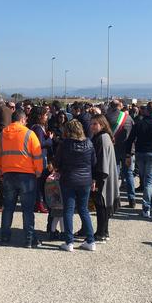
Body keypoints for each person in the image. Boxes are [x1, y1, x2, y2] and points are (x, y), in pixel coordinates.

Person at [0, 110, 43, 248]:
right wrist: (38, 171)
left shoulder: (2, 134)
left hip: (8, 175)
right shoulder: (29, 134)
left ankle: (4, 237)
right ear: (23, 120)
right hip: (27, 176)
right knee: (27, 209)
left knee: (8, 208)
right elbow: (37, 155)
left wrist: (0, 171)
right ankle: (29, 240)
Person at [56, 119, 97, 252]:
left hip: (68, 179)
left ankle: (69, 242)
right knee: (84, 209)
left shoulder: (65, 144)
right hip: (85, 180)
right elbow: (93, 162)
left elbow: (58, 162)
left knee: (68, 210)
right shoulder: (89, 143)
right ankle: (90, 240)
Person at [90, 115, 120, 243]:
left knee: (101, 205)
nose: (92, 127)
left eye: (95, 124)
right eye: (91, 124)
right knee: (102, 205)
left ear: (102, 125)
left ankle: (101, 232)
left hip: (102, 176)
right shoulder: (103, 137)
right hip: (103, 175)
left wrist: (96, 179)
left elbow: (101, 161)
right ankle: (103, 231)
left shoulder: (102, 138)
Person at [106, 99, 137, 208]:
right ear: (120, 106)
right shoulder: (128, 117)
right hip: (128, 151)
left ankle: (116, 200)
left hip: (114, 150)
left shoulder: (107, 117)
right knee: (129, 175)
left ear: (111, 106)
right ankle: (132, 199)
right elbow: (134, 133)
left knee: (115, 175)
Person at [28, 107, 53, 213]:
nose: (47, 117)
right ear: (40, 116)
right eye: (46, 115)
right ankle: (39, 204)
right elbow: (39, 144)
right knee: (40, 182)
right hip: (40, 157)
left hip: (41, 157)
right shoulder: (38, 128)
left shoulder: (37, 127)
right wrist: (49, 139)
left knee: (40, 181)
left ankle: (38, 203)